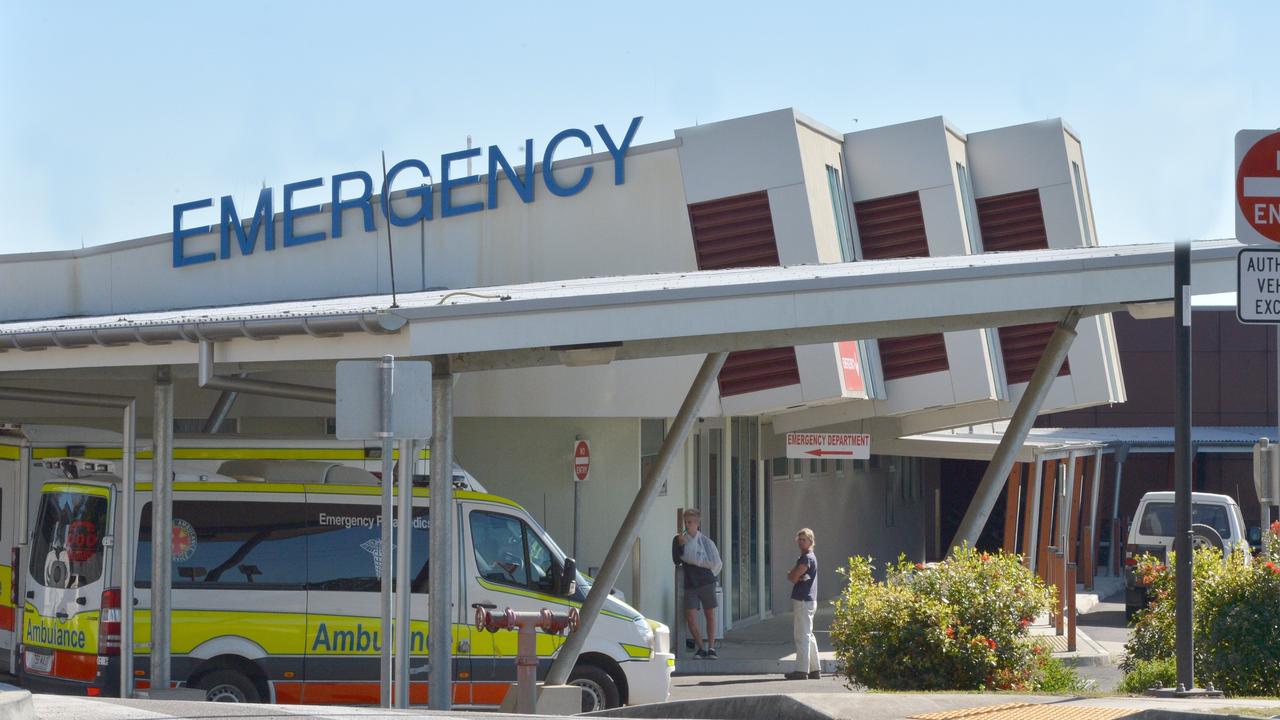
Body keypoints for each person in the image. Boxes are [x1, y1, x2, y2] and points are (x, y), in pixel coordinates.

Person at [671, 508, 722, 659]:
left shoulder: (705, 542)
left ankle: (711, 648)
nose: (687, 525)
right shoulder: (679, 539)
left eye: (690, 522)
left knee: (710, 614)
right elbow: (676, 560)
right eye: (686, 522)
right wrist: (680, 545)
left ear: (697, 524)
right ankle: (701, 647)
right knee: (690, 616)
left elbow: (714, 562)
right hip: (690, 583)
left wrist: (696, 560)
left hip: (706, 581)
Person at [784, 528, 820, 680]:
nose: (800, 542)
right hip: (809, 600)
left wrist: (792, 575)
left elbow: (792, 576)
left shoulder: (806, 559)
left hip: (803, 600)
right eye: (799, 539)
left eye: (804, 539)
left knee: (801, 635)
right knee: (808, 634)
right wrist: (793, 575)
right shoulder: (809, 557)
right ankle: (814, 669)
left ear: (811, 541)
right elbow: (794, 576)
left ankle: (801, 670)